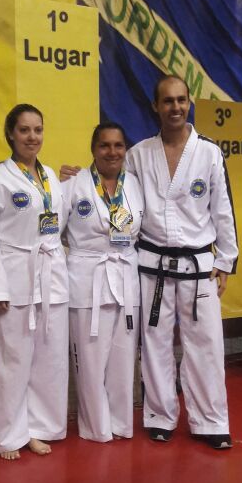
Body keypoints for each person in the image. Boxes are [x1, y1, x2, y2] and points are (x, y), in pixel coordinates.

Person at [129, 76, 238, 449]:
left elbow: (222, 209)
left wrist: (226, 259)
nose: (174, 107)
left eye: (180, 100)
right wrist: (77, 179)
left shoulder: (208, 152)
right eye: (167, 101)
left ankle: (211, 421)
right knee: (154, 341)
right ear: (155, 106)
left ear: (189, 102)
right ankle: (160, 416)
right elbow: (120, 201)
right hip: (153, 263)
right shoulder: (139, 154)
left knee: (206, 343)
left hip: (197, 263)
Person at [0, 103, 69, 459]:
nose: (32, 137)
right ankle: (7, 435)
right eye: (24, 130)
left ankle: (38, 428)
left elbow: (57, 227)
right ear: (10, 134)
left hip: (50, 276)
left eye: (38, 130)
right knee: (10, 361)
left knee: (48, 359)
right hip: (13, 277)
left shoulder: (51, 179)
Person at [62, 123, 143, 442]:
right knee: (91, 361)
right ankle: (96, 427)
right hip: (88, 279)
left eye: (118, 145)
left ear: (126, 149)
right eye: (105, 145)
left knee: (123, 359)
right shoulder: (73, 184)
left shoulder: (134, 185)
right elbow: (54, 232)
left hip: (125, 276)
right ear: (93, 149)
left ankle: (121, 424)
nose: (112, 152)